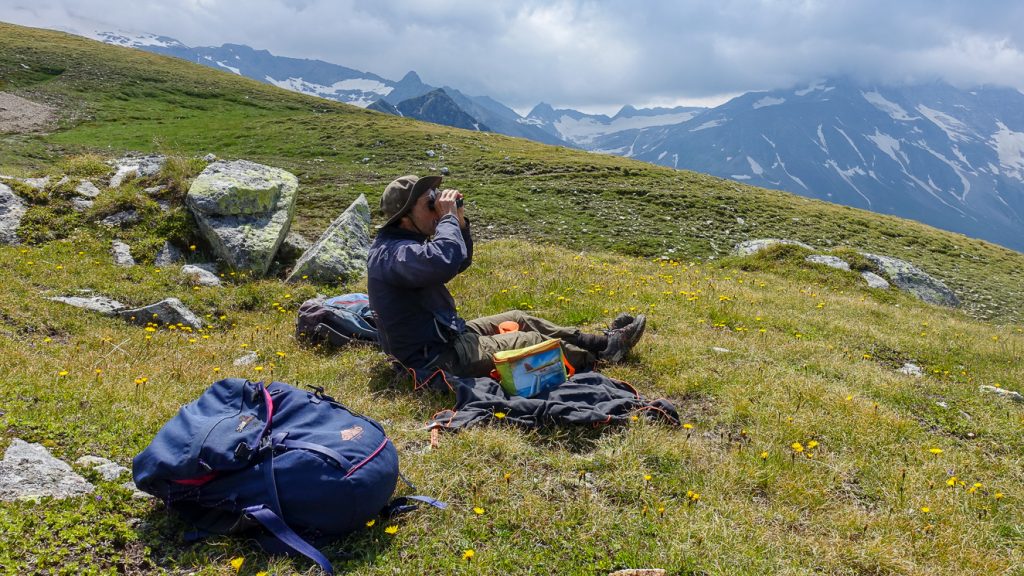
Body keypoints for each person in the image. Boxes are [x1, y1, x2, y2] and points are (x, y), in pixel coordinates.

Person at [366, 174, 646, 378]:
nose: (436, 207)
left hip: (445, 338)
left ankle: (602, 344)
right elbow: (444, 262)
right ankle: (592, 359)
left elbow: (458, 261)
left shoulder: (403, 246)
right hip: (433, 358)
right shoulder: (393, 254)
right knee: (531, 342)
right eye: (429, 203)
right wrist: (449, 218)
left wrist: (459, 224)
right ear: (404, 217)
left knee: (518, 318)